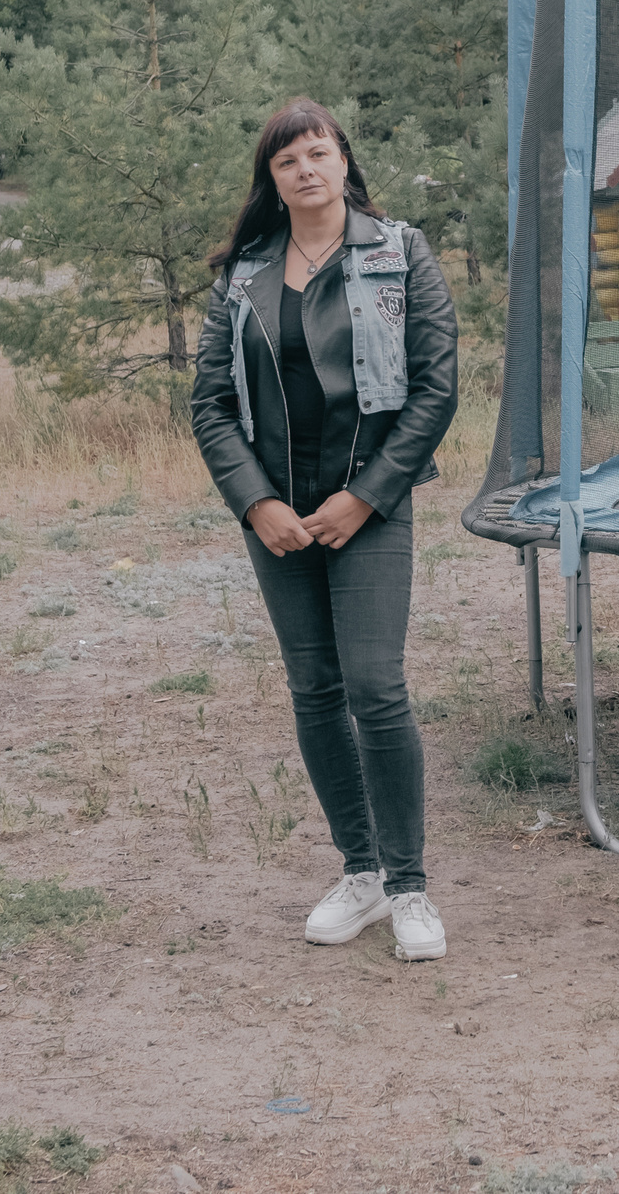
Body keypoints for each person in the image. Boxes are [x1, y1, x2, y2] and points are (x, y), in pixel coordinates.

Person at [190, 99, 459, 960]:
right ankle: (362, 873)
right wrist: (255, 500)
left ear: (344, 161)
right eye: (287, 162)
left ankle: (410, 886)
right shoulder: (244, 274)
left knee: (375, 686)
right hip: (278, 512)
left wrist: (369, 495)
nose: (307, 169)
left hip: (367, 507)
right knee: (315, 692)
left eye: (319, 153)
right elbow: (210, 402)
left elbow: (435, 389)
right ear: (272, 181)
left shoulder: (401, 251)